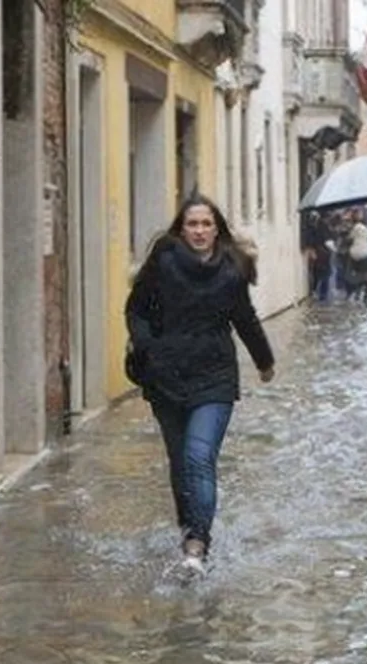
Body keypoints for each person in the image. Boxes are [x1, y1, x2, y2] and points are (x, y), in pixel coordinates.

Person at [124, 195, 275, 573]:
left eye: (207, 224)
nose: (200, 231)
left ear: (217, 229)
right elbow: (136, 309)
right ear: (182, 229)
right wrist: (147, 347)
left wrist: (264, 361)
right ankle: (188, 528)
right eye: (192, 224)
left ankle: (197, 544)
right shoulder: (163, 262)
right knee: (180, 463)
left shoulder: (232, 270)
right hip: (166, 376)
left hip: (214, 377)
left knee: (198, 456)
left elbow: (245, 318)